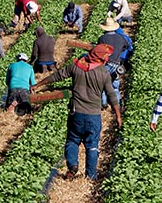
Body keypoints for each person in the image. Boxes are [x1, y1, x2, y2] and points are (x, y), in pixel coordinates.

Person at [33, 43, 121, 180]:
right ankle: (90, 176)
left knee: (73, 141)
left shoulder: (76, 66)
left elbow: (57, 76)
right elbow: (111, 95)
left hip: (77, 113)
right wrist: (118, 115)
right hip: (93, 115)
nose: (107, 59)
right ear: (98, 57)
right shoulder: (103, 73)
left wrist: (38, 84)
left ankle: (72, 165)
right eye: (105, 56)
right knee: (92, 145)